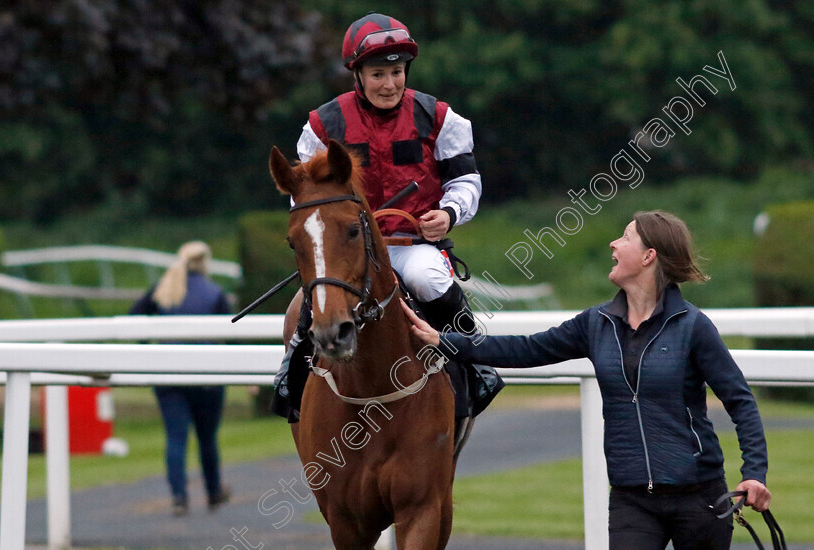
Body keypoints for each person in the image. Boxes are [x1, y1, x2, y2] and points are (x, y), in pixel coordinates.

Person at [402, 211, 771, 550]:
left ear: (649, 256)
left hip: (700, 499)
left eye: (626, 237)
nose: (614, 244)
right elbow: (526, 350)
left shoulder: (693, 327)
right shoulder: (596, 323)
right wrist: (444, 340)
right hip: (632, 501)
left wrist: (754, 473)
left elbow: (740, 400)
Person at [273, 12, 503, 423]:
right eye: (378, 74)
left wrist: (447, 215)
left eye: (396, 72)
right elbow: (304, 200)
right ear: (357, 74)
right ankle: (290, 378)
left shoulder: (438, 117)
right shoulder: (321, 125)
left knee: (429, 280)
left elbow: (467, 181)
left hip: (411, 246)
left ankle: (475, 365)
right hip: (349, 248)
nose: (389, 84)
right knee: (317, 297)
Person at [129, 241, 231, 517]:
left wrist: (146, 349)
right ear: (205, 263)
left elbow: (133, 317)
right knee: (207, 438)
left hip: (168, 374)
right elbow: (231, 334)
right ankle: (213, 491)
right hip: (208, 376)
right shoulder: (214, 292)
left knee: (176, 437)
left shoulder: (164, 288)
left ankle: (178, 497)